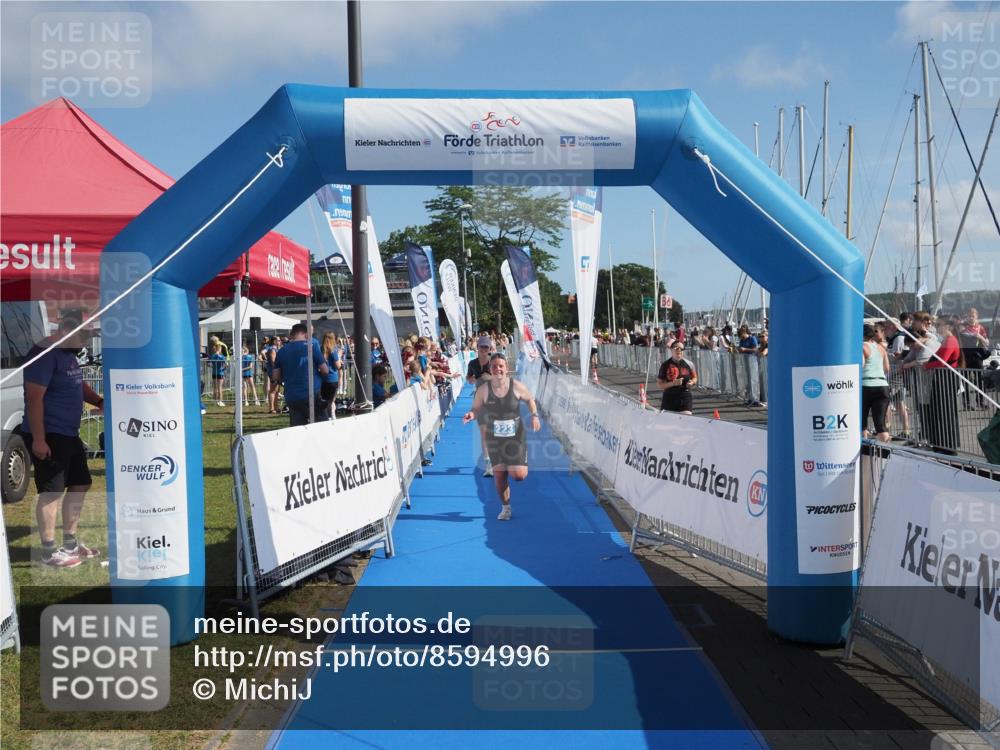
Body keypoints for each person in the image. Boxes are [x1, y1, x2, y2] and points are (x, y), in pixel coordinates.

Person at [21, 311, 103, 568]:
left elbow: (78, 385)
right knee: (51, 492)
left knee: (80, 484)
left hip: (69, 433)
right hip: (49, 434)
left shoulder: (68, 354)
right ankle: (48, 552)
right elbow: (34, 399)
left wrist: (100, 401)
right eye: (85, 335)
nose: (87, 341)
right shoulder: (45, 354)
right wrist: (39, 439)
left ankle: (70, 543)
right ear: (67, 329)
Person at [462, 354, 541, 521]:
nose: (498, 369)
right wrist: (471, 414)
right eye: (495, 366)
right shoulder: (483, 390)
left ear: (506, 368)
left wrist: (534, 415)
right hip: (494, 438)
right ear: (490, 369)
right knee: (499, 475)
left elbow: (530, 399)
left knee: (518, 476)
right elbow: (476, 409)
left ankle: (516, 463)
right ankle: (506, 508)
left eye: (501, 366)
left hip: (515, 437)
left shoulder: (516, 386)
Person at [271, 323, 329, 427]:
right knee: (321, 428)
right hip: (311, 394)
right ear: (305, 333)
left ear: (292, 334)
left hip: (292, 396)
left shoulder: (281, 351)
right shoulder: (311, 347)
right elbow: (325, 370)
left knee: (297, 431)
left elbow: (275, 376)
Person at [467, 336, 496, 477]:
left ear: (490, 349)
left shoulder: (494, 362)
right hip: (480, 402)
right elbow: (469, 380)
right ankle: (488, 465)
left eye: (486, 347)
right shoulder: (472, 363)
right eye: (481, 347)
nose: (484, 350)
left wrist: (489, 377)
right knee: (484, 434)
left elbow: (503, 379)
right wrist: (476, 378)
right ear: (477, 348)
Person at [861, 324, 891, 442]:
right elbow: (887, 368)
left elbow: (861, 365)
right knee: (880, 423)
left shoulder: (862, 347)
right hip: (882, 385)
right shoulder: (881, 348)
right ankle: (886, 453)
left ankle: (863, 451)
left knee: (862, 421)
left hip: (866, 385)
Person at [657, 341, 698, 414]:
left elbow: (695, 377)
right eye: (676, 348)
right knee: (668, 422)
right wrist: (673, 383)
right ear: (671, 350)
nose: (679, 350)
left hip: (685, 395)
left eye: (681, 349)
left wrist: (692, 382)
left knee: (686, 418)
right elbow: (660, 385)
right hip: (670, 396)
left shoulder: (689, 364)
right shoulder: (665, 365)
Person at [319, 332, 341, 420]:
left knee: (324, 399)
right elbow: (338, 366)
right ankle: (330, 416)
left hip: (323, 379)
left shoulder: (320, 350)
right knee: (331, 400)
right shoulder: (333, 351)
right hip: (332, 379)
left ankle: (327, 416)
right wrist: (339, 356)